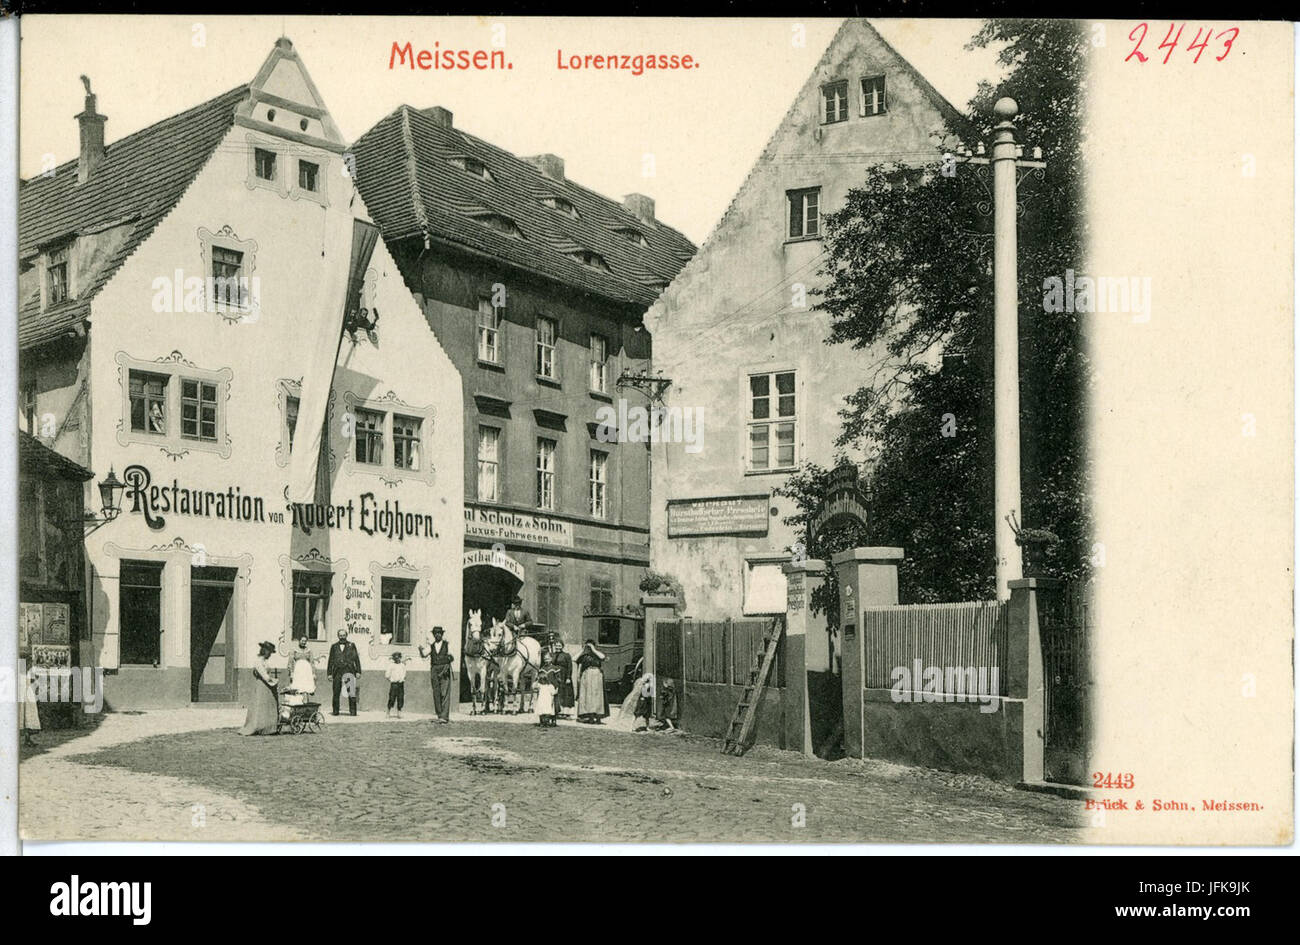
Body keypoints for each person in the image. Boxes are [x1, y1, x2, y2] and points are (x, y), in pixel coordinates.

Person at [239, 641, 280, 735]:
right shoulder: (258, 661)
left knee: (268, 705)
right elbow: (264, 675)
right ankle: (258, 726)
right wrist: (273, 681)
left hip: (267, 686)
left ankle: (269, 727)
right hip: (262, 685)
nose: (270, 654)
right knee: (260, 705)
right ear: (265, 651)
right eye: (269, 652)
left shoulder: (265, 661)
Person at [419, 626, 453, 723]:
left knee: (445, 692)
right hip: (434, 670)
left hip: (444, 669)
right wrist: (420, 649)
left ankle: (445, 716)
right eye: (435, 633)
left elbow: (452, 656)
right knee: (436, 692)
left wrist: (448, 661)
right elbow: (424, 654)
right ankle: (439, 715)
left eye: (439, 633)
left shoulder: (447, 645)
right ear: (433, 635)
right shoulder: (431, 646)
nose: (437, 635)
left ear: (442, 634)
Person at [326, 628, 362, 716]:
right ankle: (335, 711)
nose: (342, 637)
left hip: (349, 670)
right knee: (336, 691)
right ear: (338, 636)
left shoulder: (351, 645)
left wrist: (358, 671)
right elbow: (330, 660)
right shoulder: (334, 646)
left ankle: (353, 711)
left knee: (351, 692)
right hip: (337, 671)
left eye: (344, 635)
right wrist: (329, 673)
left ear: (346, 635)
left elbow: (356, 659)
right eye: (340, 635)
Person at [574, 640, 608, 724]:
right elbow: (574, 658)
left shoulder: (597, 654)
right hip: (587, 676)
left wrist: (593, 649)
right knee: (587, 697)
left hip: (596, 675)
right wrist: (582, 650)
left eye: (590, 646)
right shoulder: (584, 656)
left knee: (598, 697)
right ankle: (590, 717)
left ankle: (598, 717)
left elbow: (603, 657)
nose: (589, 648)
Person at [551, 640, 574, 718]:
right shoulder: (552, 655)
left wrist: (568, 677)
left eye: (559, 645)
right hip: (555, 676)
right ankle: (557, 711)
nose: (558, 647)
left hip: (564, 676)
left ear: (562, 646)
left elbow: (570, 667)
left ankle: (566, 712)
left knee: (565, 693)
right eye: (556, 645)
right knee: (556, 693)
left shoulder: (566, 655)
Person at [534, 650, 558, 728]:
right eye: (545, 659)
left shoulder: (554, 668)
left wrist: (556, 686)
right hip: (543, 689)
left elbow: (558, 678)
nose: (546, 660)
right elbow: (537, 680)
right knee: (542, 705)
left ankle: (553, 720)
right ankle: (543, 721)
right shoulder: (542, 669)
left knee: (553, 705)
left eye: (548, 659)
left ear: (551, 659)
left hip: (551, 687)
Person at [385, 652, 408, 717]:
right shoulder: (391, 665)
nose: (397, 659)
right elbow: (387, 675)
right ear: (394, 659)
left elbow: (404, 674)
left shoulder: (402, 665)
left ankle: (399, 712)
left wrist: (402, 679)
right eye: (395, 658)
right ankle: (388, 711)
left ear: (400, 658)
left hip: (401, 684)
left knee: (400, 698)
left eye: (398, 658)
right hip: (394, 684)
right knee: (392, 698)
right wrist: (391, 680)